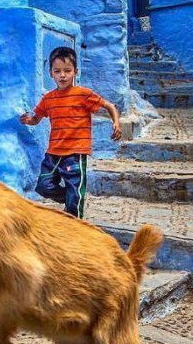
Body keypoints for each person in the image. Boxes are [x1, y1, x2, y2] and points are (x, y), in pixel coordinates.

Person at [20, 47, 122, 218]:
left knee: (75, 191)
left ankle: (76, 223)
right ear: (51, 73)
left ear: (75, 71)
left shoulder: (83, 94)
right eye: (57, 71)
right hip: (53, 153)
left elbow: (109, 106)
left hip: (75, 153)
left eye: (67, 71)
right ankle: (68, 199)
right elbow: (37, 118)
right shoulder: (48, 98)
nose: (62, 75)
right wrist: (28, 120)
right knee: (43, 186)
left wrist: (116, 123)